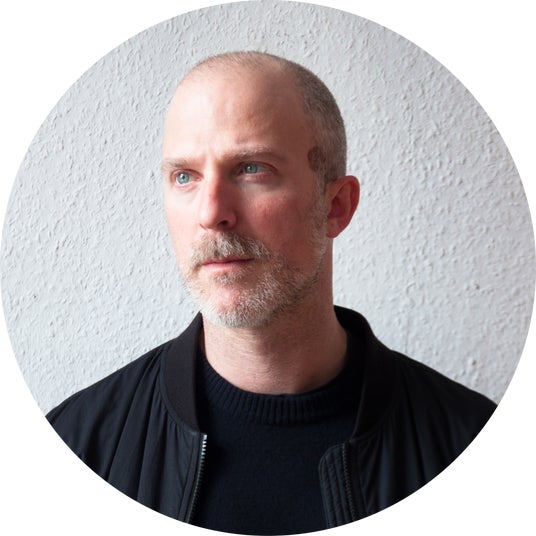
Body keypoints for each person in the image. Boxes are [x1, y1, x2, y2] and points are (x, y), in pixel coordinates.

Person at [47, 51, 496, 535]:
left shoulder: (474, 448)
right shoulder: (76, 448)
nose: (211, 212)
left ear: (336, 206)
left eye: (251, 168)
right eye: (185, 176)